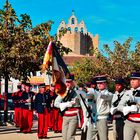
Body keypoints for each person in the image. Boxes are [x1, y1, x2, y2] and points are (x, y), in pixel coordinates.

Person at [82, 75, 113, 140]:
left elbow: (102, 96)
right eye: (98, 83)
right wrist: (80, 92)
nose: (99, 85)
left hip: (102, 119)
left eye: (101, 83)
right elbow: (86, 97)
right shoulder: (95, 93)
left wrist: (93, 91)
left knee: (103, 138)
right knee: (89, 138)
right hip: (93, 119)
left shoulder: (109, 94)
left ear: (105, 84)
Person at [54, 74, 82, 140]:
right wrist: (66, 104)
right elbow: (56, 103)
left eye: (69, 82)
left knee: (70, 137)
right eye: (66, 82)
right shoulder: (63, 91)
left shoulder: (77, 92)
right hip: (65, 116)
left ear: (72, 82)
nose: (67, 84)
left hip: (74, 116)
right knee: (64, 137)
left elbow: (83, 104)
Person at [122, 72, 140, 140]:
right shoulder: (127, 92)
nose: (132, 81)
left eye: (134, 79)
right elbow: (120, 105)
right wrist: (125, 108)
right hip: (129, 121)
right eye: (131, 79)